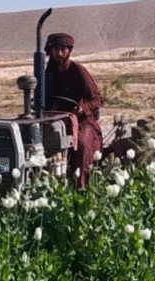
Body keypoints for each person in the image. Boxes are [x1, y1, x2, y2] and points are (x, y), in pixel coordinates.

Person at [43, 33, 104, 188]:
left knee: (82, 144)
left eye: (62, 49)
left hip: (82, 121)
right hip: (57, 120)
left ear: (69, 51)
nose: (59, 53)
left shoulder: (77, 70)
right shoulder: (49, 72)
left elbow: (98, 99)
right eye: (55, 49)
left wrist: (83, 108)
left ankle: (81, 186)